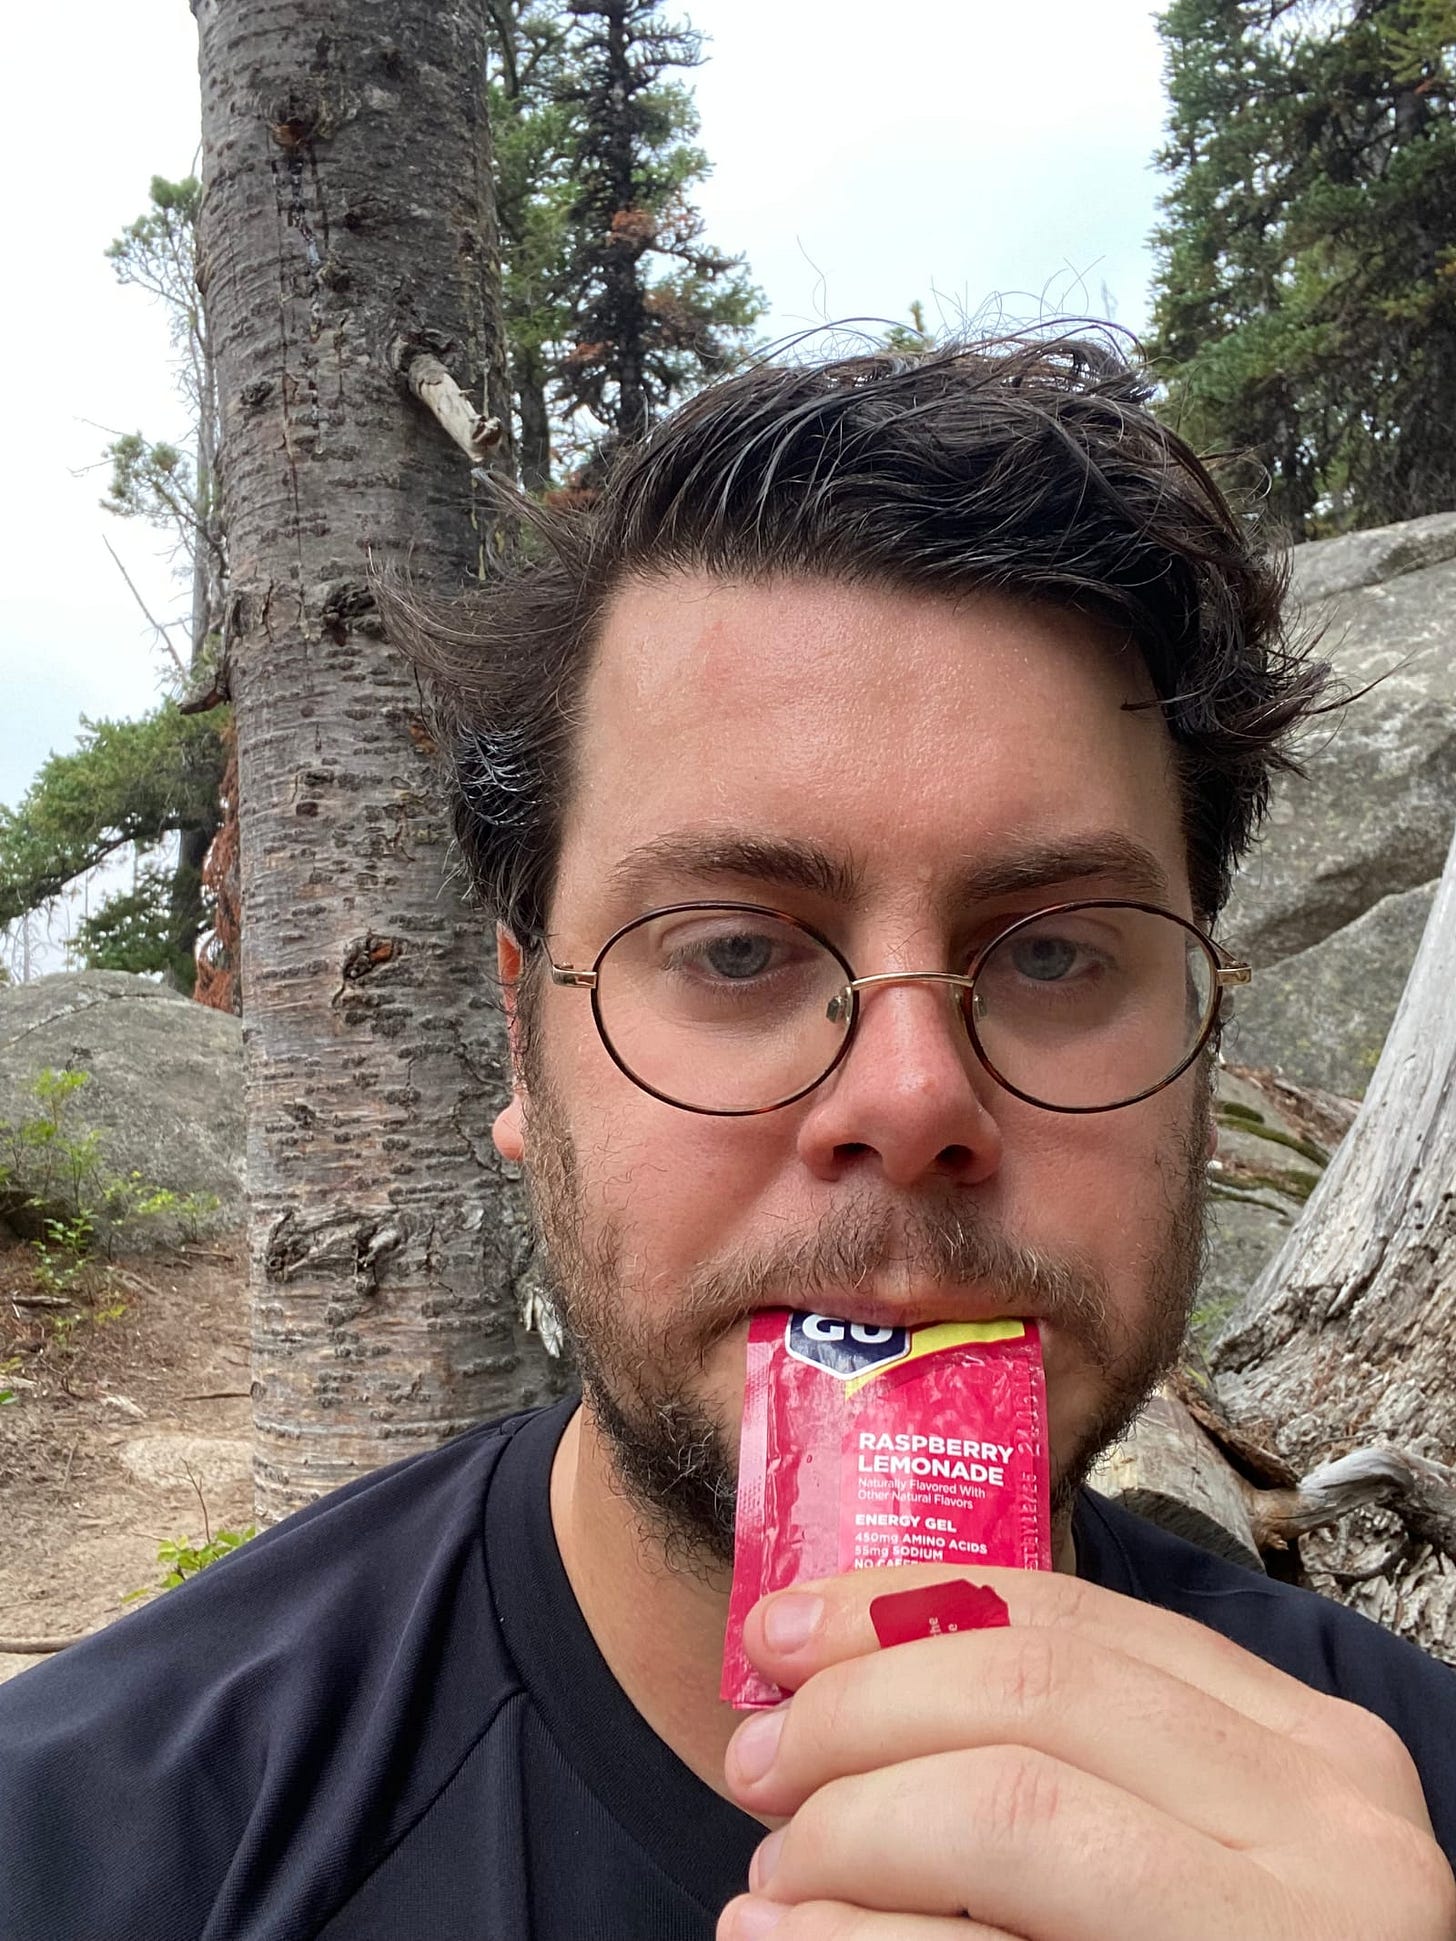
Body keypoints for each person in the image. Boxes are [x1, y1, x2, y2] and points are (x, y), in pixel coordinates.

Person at [2, 336, 1454, 1941]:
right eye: (736, 947)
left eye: (1054, 953)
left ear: (1203, 1037)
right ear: (521, 1039)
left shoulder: (1415, 1819)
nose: (911, 1098)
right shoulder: (90, 1844)